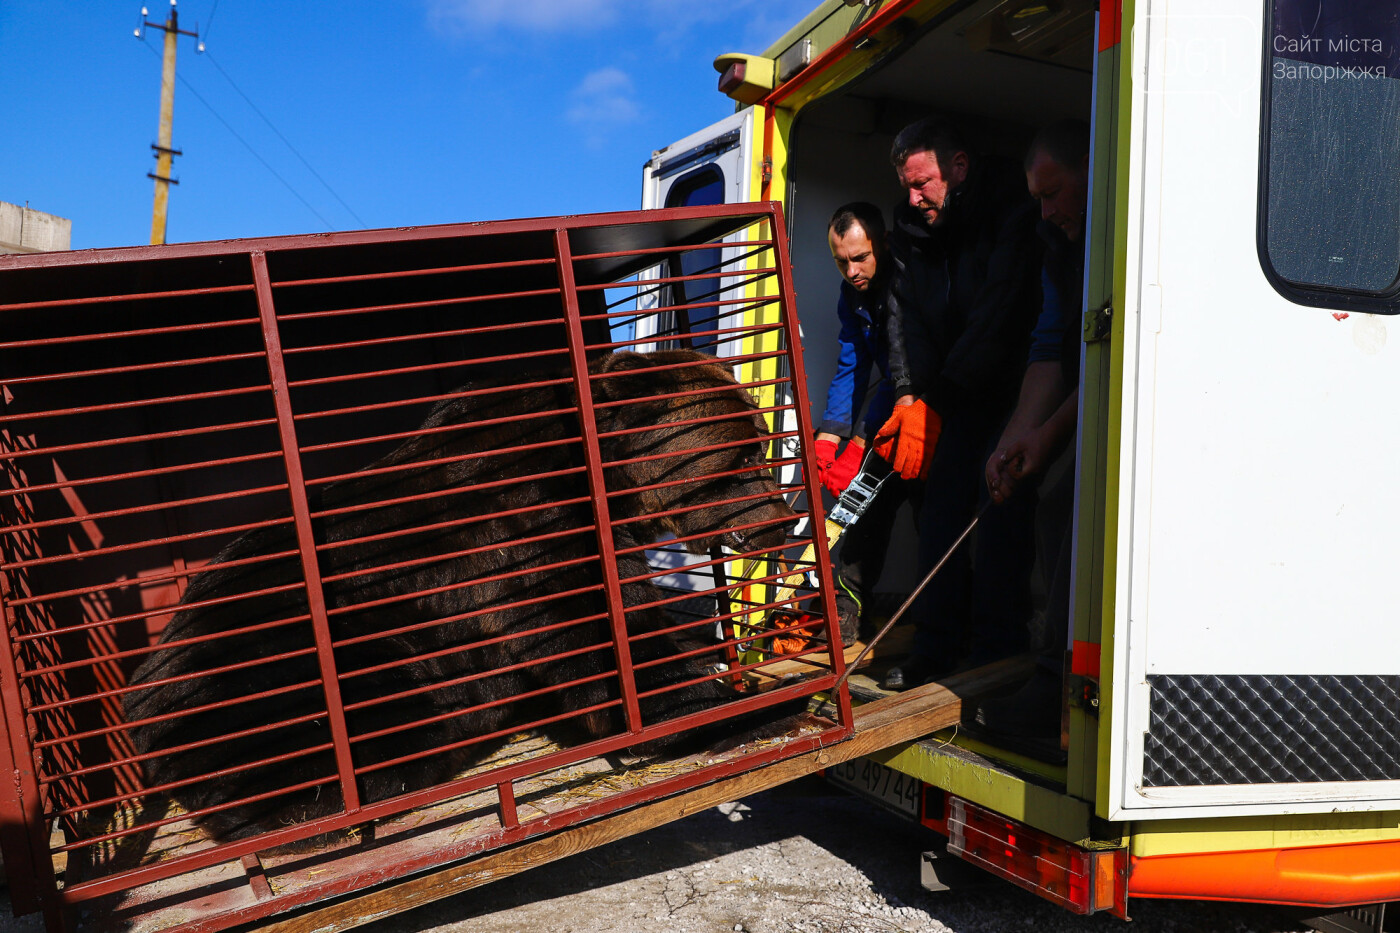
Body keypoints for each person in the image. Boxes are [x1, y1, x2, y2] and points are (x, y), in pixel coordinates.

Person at [873, 116, 1043, 690]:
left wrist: (937, 396)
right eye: (908, 187)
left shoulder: (1011, 210)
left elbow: (1002, 309)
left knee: (999, 508)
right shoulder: (910, 233)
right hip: (949, 393)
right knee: (940, 509)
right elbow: (903, 321)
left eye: (923, 183)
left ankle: (997, 650)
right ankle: (934, 646)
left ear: (959, 168)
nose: (914, 198)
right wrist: (908, 398)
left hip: (1014, 388)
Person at [976, 119, 1092, 739]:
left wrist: (1044, 441)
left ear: (1093, 166)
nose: (1044, 212)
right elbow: (1052, 347)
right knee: (1033, 491)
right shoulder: (1057, 244)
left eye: (1052, 194)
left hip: (1118, 386)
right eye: (1036, 198)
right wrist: (1012, 440)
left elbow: (1110, 349)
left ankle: (1057, 684)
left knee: (1065, 495)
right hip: (1081, 383)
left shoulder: (1123, 226)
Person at [811, 202, 912, 647]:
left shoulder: (904, 284)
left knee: (938, 520)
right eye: (840, 261)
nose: (851, 271)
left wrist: (856, 446)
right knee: (861, 514)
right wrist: (827, 437)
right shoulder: (851, 294)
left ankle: (943, 630)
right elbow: (851, 364)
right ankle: (847, 621)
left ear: (881, 245)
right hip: (886, 416)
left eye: (859, 258)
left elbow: (900, 372)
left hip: (927, 412)